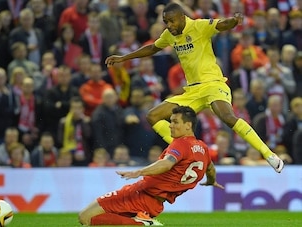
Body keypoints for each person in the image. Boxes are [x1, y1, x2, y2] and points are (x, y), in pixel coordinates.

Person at [105, 2, 284, 173]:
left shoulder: (199, 26)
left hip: (213, 84)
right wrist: (123, 58)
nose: (169, 25)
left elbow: (221, 25)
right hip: (192, 91)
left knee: (228, 118)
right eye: (166, 22)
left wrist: (234, 21)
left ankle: (269, 155)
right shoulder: (170, 34)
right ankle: (187, 153)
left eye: (171, 21)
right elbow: (153, 48)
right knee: (153, 116)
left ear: (182, 17)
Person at [79, 106, 223, 226]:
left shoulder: (181, 143)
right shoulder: (203, 148)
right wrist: (211, 181)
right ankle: (141, 221)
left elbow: (167, 163)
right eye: (170, 121)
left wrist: (139, 172)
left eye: (175, 122)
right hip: (155, 204)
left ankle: (142, 224)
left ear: (188, 125)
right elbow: (210, 168)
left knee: (85, 217)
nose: (170, 125)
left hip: (139, 194)